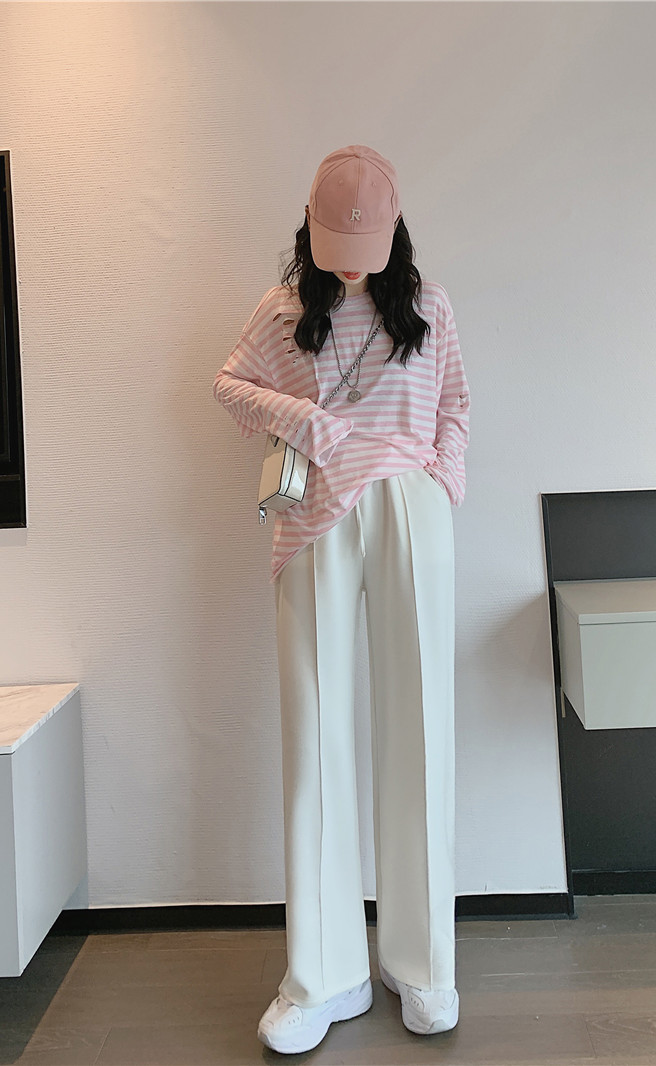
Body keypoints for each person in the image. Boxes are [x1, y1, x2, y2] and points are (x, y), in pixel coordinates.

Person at [213, 145, 471, 1054]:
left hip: (410, 511)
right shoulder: (286, 310)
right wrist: (308, 422)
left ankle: (423, 964)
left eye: (366, 245)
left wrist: (440, 484)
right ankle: (322, 975)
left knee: (421, 732)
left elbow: (456, 405)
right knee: (315, 738)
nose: (352, 264)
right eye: (336, 246)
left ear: (394, 230)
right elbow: (228, 384)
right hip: (315, 517)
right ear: (310, 230)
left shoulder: (429, 306)